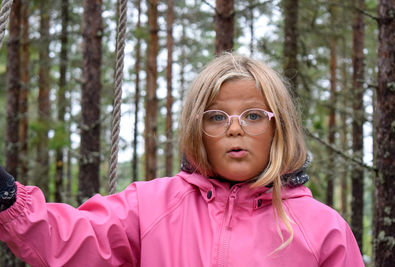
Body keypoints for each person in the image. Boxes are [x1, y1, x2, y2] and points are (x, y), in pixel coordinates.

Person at [0, 53, 364, 267]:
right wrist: (9, 199)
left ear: (279, 127)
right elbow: (71, 241)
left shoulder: (322, 229)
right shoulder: (150, 207)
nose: (234, 130)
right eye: (217, 117)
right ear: (197, 129)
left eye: (253, 116)